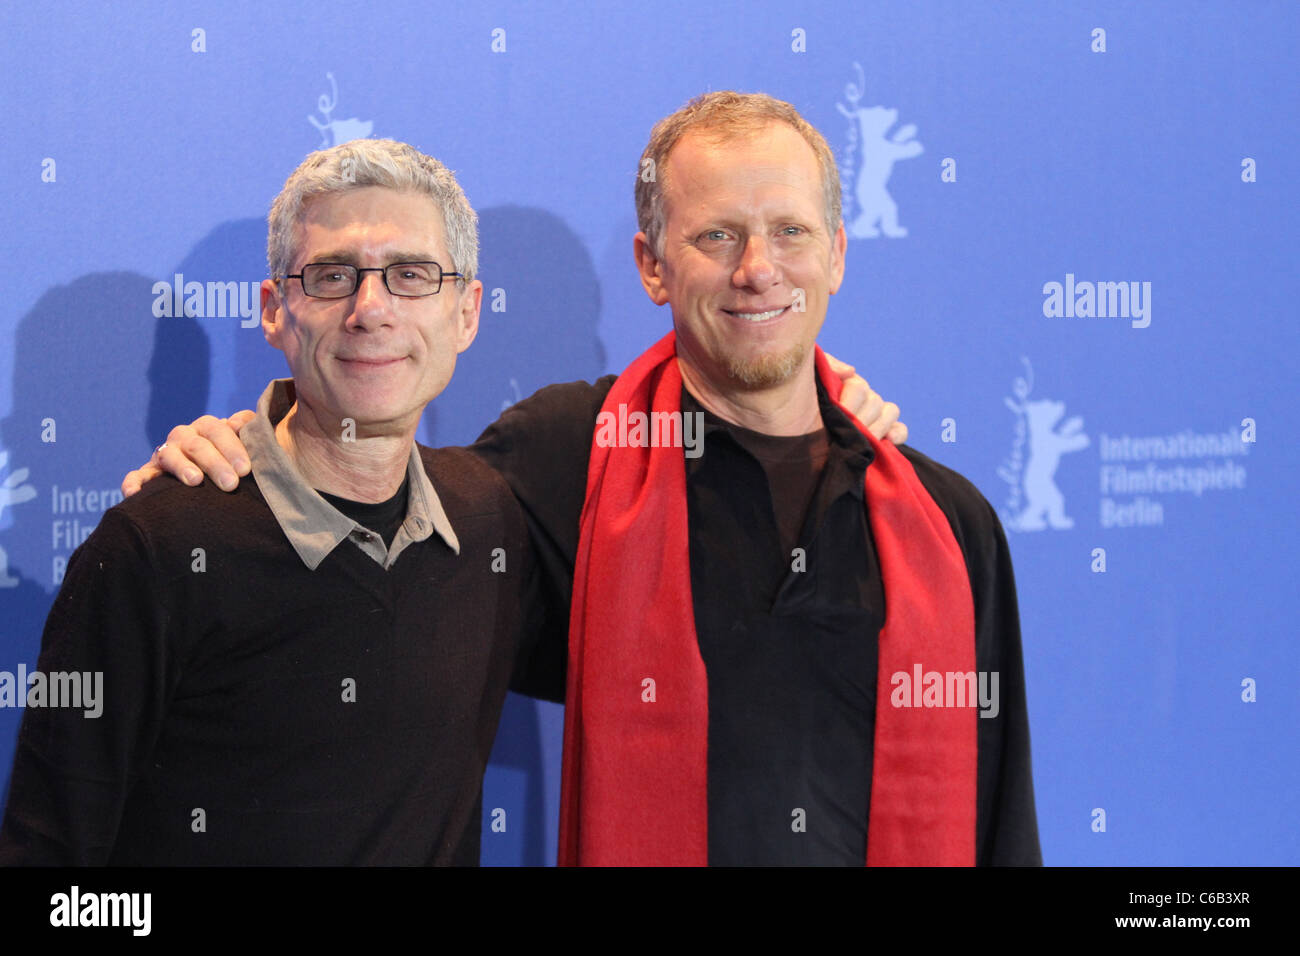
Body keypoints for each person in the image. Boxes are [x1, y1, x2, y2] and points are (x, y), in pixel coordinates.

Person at [126, 92, 1037, 867]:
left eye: (788, 231)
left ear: (835, 253)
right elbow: (364, 504)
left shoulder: (948, 525)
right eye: (715, 234)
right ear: (651, 266)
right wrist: (239, 462)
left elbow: (1002, 823)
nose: (758, 269)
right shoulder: (563, 458)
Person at [0, 138, 541, 864]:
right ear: (274, 310)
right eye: (331, 276)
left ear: (467, 313)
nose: (370, 310)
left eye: (411, 275)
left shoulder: (489, 520)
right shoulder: (155, 548)